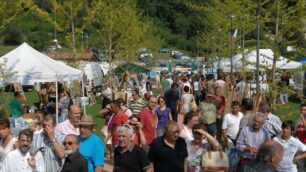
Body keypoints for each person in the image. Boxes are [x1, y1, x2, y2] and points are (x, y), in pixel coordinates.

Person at [295, 103, 306, 172]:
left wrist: (303, 120)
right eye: (301, 109)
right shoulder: (298, 120)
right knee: (300, 164)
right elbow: (295, 132)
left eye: (305, 110)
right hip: (300, 144)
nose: (303, 111)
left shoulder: (301, 119)